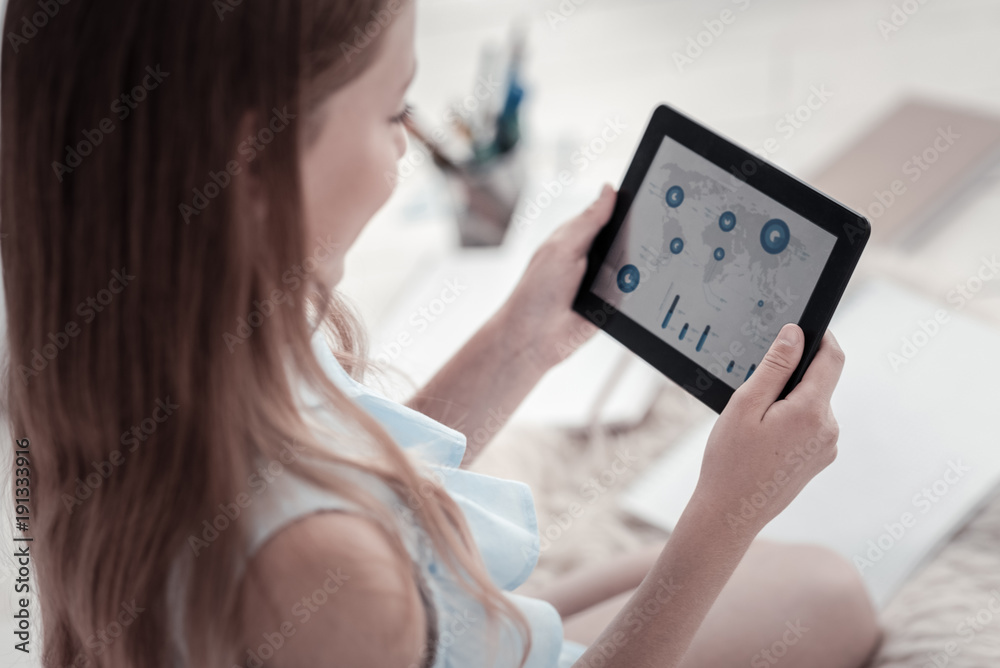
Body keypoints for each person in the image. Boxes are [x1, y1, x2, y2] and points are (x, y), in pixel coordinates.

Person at [0, 1, 881, 667]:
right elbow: (352, 543)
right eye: (396, 113)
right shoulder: (316, 574)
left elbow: (363, 474)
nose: (411, 149)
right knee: (829, 593)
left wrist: (521, 340)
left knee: (688, 570)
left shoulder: (142, 348)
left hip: (431, 628)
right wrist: (726, 512)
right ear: (254, 163)